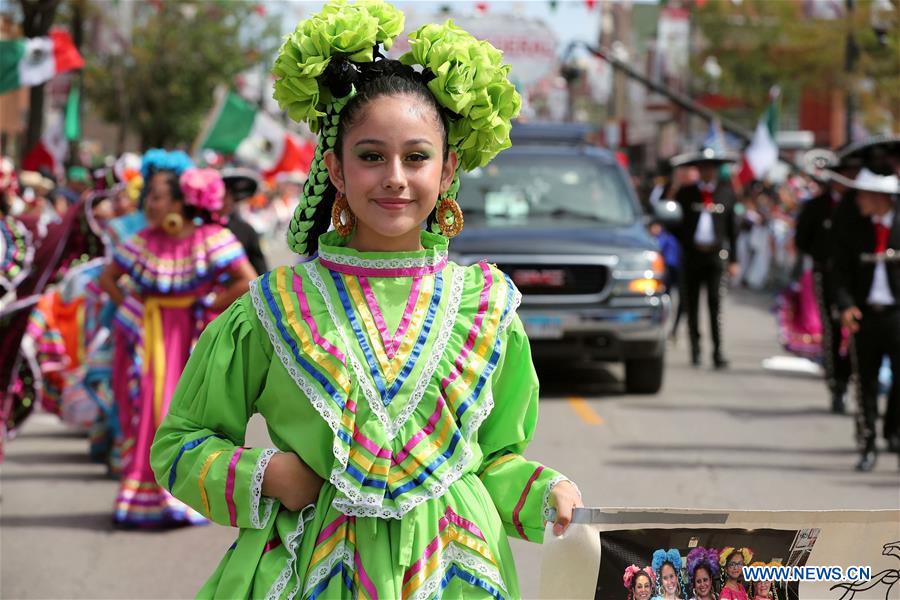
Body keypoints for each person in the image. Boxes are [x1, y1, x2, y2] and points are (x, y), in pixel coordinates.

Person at [150, 3, 582, 597]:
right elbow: (181, 443)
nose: (395, 177)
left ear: (449, 167)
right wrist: (268, 473)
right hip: (312, 568)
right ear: (336, 166)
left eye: (417, 156)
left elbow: (492, 463)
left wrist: (545, 493)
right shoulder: (275, 305)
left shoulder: (484, 306)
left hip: (454, 572)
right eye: (372, 155)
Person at [100, 165, 255, 526]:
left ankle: (181, 496)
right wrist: (132, 311)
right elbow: (110, 277)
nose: (149, 205)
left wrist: (206, 305)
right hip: (149, 336)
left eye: (156, 196)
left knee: (183, 413)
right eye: (148, 197)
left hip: (189, 337)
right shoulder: (143, 241)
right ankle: (146, 495)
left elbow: (245, 280)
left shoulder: (209, 238)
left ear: (179, 201)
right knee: (147, 414)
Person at [833, 167, 900, 472]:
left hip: (896, 316)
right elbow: (841, 272)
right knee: (866, 384)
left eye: (863, 194)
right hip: (865, 316)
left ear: (879, 197)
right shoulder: (853, 228)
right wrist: (846, 306)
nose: (858, 199)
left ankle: (894, 432)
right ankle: (868, 444)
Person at [794, 154, 858, 413]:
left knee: (858, 330)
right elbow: (802, 240)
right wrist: (823, 256)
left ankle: (850, 376)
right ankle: (836, 385)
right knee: (831, 329)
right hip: (827, 274)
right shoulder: (817, 206)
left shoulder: (860, 205)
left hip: (856, 277)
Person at [671, 148, 740, 368]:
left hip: (715, 256)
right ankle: (696, 350)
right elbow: (673, 223)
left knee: (715, 303)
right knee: (691, 304)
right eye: (704, 169)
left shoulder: (726, 193)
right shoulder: (686, 193)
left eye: (711, 169)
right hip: (691, 256)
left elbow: (732, 229)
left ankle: (718, 351)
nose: (708, 173)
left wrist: (734, 260)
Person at [221, 167, 268, 276]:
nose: (227, 200)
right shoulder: (200, 229)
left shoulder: (246, 231)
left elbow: (261, 271)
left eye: (230, 195)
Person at [649, 219, 682, 340]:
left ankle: (673, 329)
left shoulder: (666, 238)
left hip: (673, 272)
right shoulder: (659, 238)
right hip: (666, 274)